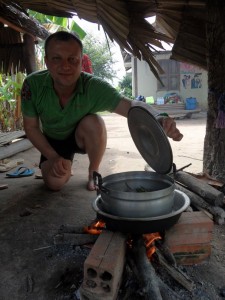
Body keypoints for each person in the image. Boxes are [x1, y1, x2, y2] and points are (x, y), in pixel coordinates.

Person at [21, 31, 183, 192]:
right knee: (54, 184)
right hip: (52, 142)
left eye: (72, 59)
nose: (65, 66)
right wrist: (54, 157)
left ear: (81, 62)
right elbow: (31, 128)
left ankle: (93, 172)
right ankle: (63, 163)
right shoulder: (32, 85)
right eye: (57, 59)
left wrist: (159, 117)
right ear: (47, 61)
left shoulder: (94, 87)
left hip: (80, 136)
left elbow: (131, 105)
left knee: (95, 122)